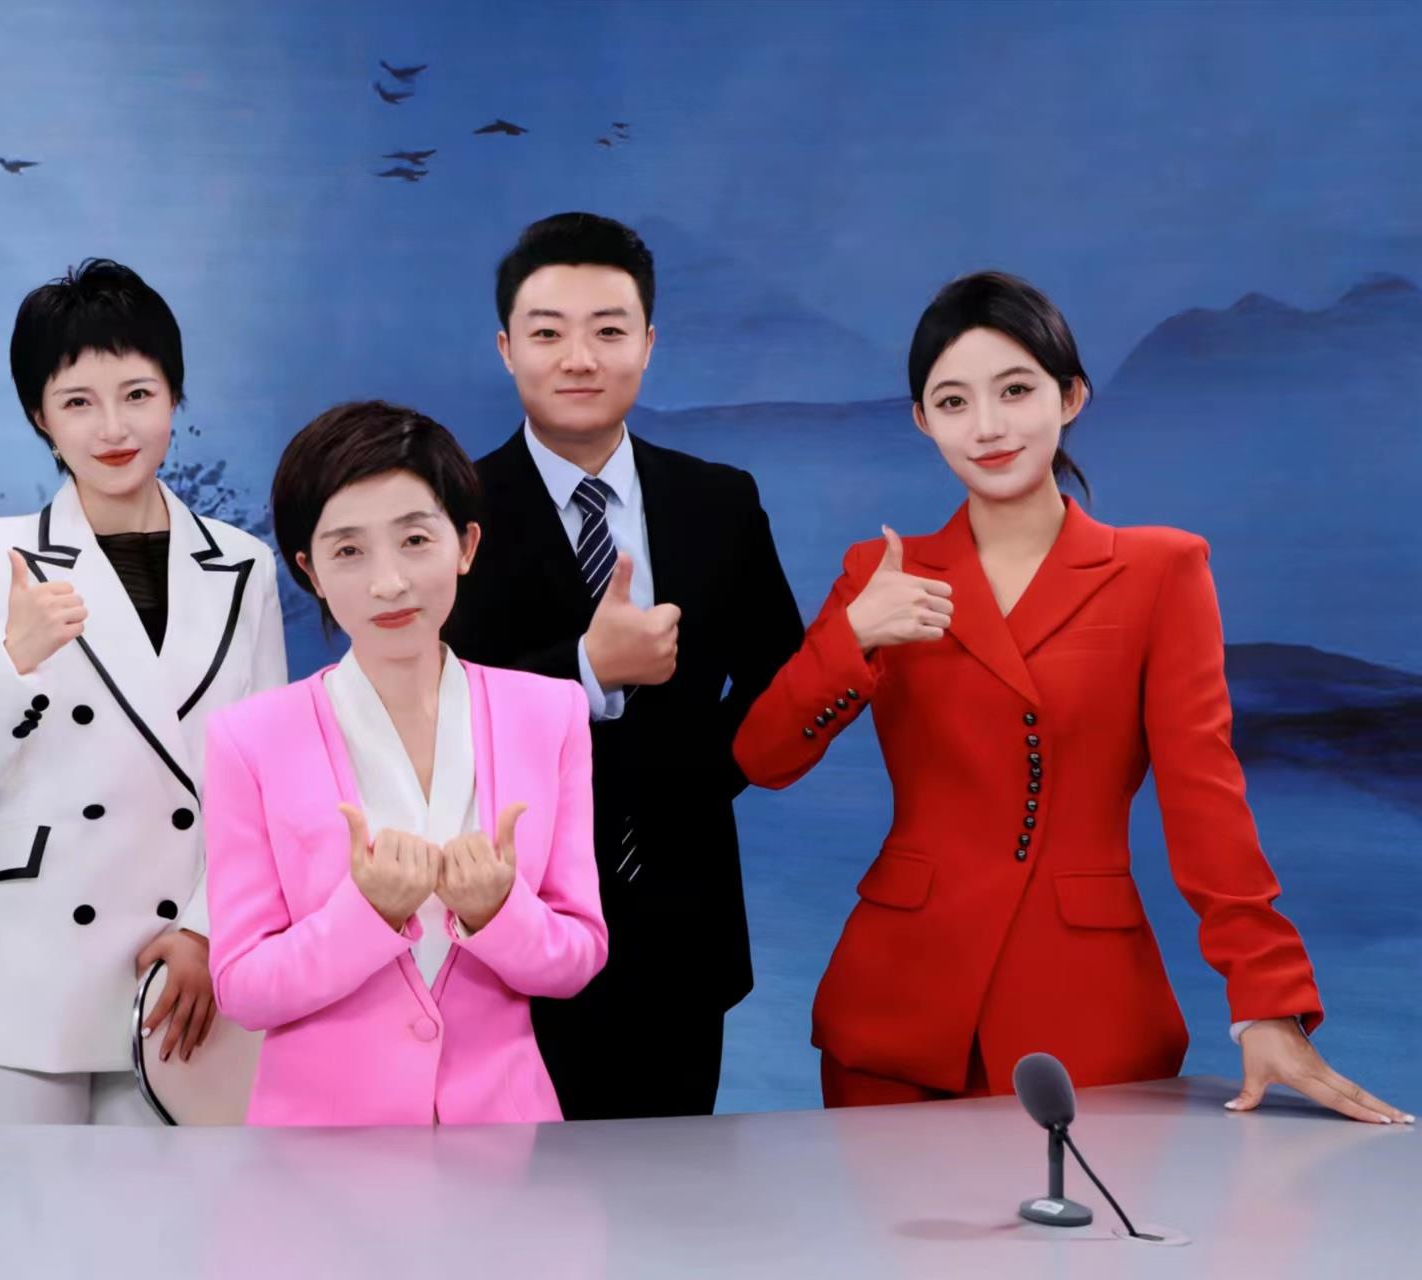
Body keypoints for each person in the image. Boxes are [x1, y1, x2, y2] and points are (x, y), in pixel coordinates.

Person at [734, 271, 1412, 1125]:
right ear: (922, 421)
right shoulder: (882, 573)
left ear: (1071, 395)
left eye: (1015, 390)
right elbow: (762, 756)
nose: (987, 426)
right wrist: (852, 639)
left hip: (1084, 1006)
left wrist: (1267, 1000)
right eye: (952, 402)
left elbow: (1205, 794)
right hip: (897, 1007)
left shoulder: (1160, 571)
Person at [441, 213, 805, 1119]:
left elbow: (779, 678)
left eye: (608, 330)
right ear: (506, 348)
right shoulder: (449, 510)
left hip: (685, 925)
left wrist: (694, 777)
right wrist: (584, 669)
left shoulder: (719, 500)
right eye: (548, 333)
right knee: (514, 1195)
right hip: (505, 926)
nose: (579, 358)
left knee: (677, 1192)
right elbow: (430, 702)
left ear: (648, 343)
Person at [0, 259, 286, 1123]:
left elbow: (262, 783)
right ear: (39, 418)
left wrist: (207, 928)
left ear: (175, 398)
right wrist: (16, 659)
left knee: (169, 1210)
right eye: (78, 401)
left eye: (138, 394)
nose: (114, 428)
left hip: (179, 966)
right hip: (21, 960)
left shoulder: (243, 566)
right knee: (11, 1209)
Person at [203, 400, 606, 1126]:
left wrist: (498, 911)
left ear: (466, 545)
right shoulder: (249, 738)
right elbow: (242, 989)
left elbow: (577, 959)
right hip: (319, 1153)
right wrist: (367, 913)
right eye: (348, 551)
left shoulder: (550, 714)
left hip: (505, 1139)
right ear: (309, 570)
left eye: (415, 539)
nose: (387, 582)